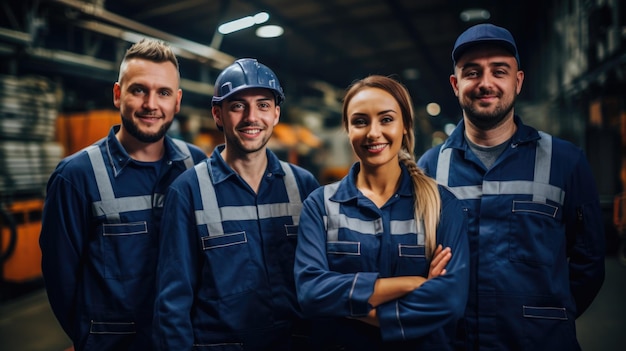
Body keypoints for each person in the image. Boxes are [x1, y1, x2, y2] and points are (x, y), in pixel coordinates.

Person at [417, 23, 606, 350]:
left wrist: (545, 318)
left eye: (499, 71)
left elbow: (589, 264)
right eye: (472, 72)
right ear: (455, 84)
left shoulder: (566, 161)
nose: (485, 83)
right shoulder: (430, 168)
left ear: (518, 81)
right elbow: (414, 260)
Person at [39, 38, 208, 351]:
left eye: (164, 93)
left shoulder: (198, 165)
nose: (151, 104)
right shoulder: (75, 176)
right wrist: (89, 338)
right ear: (118, 94)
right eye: (138, 89)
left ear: (177, 101)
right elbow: (61, 281)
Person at [153, 58, 320, 350]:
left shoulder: (304, 186)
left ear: (276, 113)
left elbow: (324, 278)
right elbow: (173, 302)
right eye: (237, 106)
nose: (251, 117)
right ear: (218, 114)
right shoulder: (188, 191)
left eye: (263, 105)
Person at [294, 75, 469, 351]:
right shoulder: (321, 204)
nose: (373, 132)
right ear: (348, 129)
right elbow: (311, 293)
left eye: (386, 119)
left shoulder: (442, 205)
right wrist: (412, 283)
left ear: (405, 126)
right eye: (360, 121)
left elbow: (449, 301)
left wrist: (346, 305)